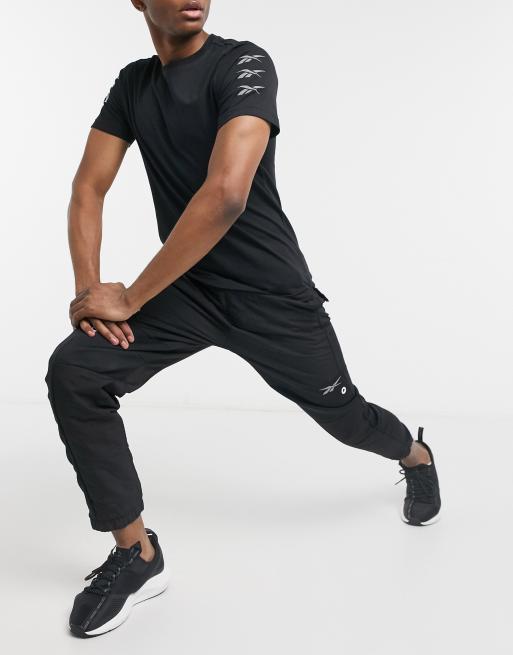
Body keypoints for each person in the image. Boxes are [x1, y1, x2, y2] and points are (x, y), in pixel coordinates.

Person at [44, 0, 441, 639]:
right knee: (77, 371)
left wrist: (131, 296)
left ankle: (416, 455)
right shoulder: (133, 84)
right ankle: (137, 554)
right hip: (185, 289)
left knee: (349, 419)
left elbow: (227, 193)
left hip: (270, 295)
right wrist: (90, 294)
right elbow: (88, 188)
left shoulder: (244, 64)